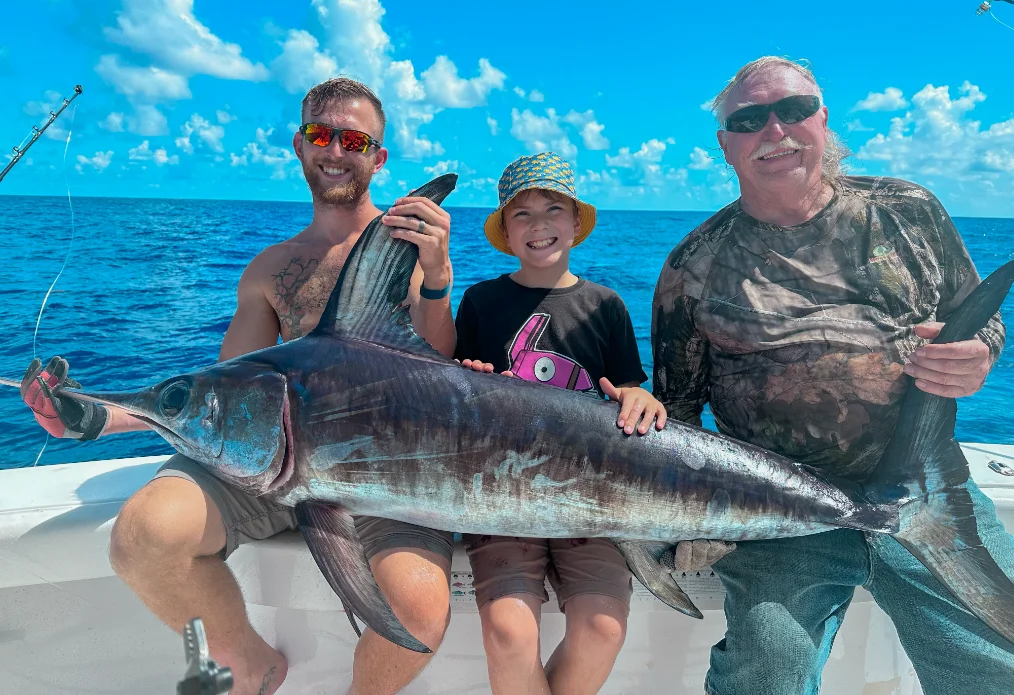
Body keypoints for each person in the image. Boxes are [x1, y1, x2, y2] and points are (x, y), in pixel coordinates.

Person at [20, 77, 459, 695]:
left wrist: (438, 277)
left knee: (417, 610)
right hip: (269, 466)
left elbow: (440, 371)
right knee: (145, 537)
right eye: (320, 134)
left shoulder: (410, 253)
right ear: (299, 146)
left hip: (389, 467)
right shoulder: (269, 269)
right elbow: (224, 394)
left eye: (354, 139)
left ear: (378, 156)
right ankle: (253, 666)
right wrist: (94, 416)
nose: (336, 149)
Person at [651, 56, 1014, 695]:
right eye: (749, 119)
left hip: (925, 488)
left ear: (822, 120)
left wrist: (978, 355)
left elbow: (977, 320)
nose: (775, 130)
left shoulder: (907, 211)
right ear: (726, 145)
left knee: (997, 664)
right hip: (776, 504)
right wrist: (686, 521)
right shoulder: (693, 266)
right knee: (766, 674)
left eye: (792, 110)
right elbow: (675, 412)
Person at [456, 151, 673, 695]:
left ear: (575, 222)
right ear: (506, 230)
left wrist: (640, 398)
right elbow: (459, 397)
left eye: (553, 209)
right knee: (508, 633)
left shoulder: (606, 305)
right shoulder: (480, 301)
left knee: (602, 628)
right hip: (501, 490)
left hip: (592, 495)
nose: (539, 224)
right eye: (522, 214)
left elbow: (628, 389)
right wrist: (471, 379)